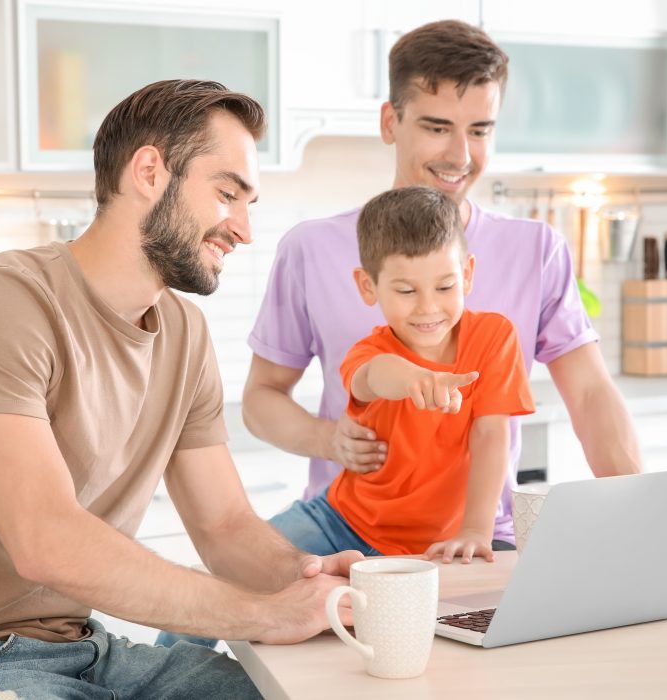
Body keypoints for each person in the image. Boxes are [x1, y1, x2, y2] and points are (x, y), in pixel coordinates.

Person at [0, 79, 362, 700]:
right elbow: (45, 541)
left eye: (249, 203)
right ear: (150, 172)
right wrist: (264, 614)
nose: (243, 228)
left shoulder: (185, 334)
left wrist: (314, 580)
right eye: (226, 193)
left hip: (85, 649)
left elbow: (224, 526)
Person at [243, 19, 641, 550]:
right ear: (390, 121)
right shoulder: (311, 249)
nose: (460, 155)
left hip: (476, 542)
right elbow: (260, 398)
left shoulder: (536, 250)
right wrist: (329, 439)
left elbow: (591, 395)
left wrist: (644, 522)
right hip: (344, 531)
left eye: (480, 130)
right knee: (228, 585)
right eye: (437, 127)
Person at [268, 185, 535, 564]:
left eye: (445, 286)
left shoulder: (495, 337)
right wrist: (416, 380)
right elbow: (374, 376)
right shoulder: (368, 353)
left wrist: (476, 530)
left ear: (468, 274)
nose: (428, 307)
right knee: (235, 575)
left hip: (442, 542)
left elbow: (492, 434)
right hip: (339, 523)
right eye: (407, 290)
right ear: (368, 286)